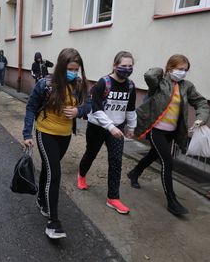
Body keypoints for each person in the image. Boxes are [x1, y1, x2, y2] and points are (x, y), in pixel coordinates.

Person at [128, 54, 210, 216]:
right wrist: (164, 72)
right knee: (167, 162)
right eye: (180, 69)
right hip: (155, 129)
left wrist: (201, 118)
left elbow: (200, 102)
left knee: (152, 155)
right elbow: (149, 75)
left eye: (186, 70)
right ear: (171, 68)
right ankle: (172, 201)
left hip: (172, 132)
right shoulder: (159, 82)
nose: (183, 73)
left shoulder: (186, 86)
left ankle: (134, 173)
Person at [23, 48, 89, 239]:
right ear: (61, 67)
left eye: (77, 69)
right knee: (55, 173)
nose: (74, 73)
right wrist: (27, 133)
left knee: (48, 169)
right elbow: (31, 107)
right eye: (71, 69)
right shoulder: (46, 84)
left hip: (65, 135)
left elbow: (90, 104)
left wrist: (79, 111)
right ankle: (53, 223)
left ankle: (42, 199)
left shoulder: (78, 85)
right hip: (46, 133)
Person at [78, 51, 137, 214]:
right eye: (123, 66)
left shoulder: (131, 86)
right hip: (98, 127)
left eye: (130, 66)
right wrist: (110, 126)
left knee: (116, 161)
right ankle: (81, 174)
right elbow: (95, 109)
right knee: (91, 153)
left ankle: (113, 198)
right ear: (115, 65)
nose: (127, 69)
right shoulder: (103, 83)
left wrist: (131, 127)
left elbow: (130, 109)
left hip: (117, 129)